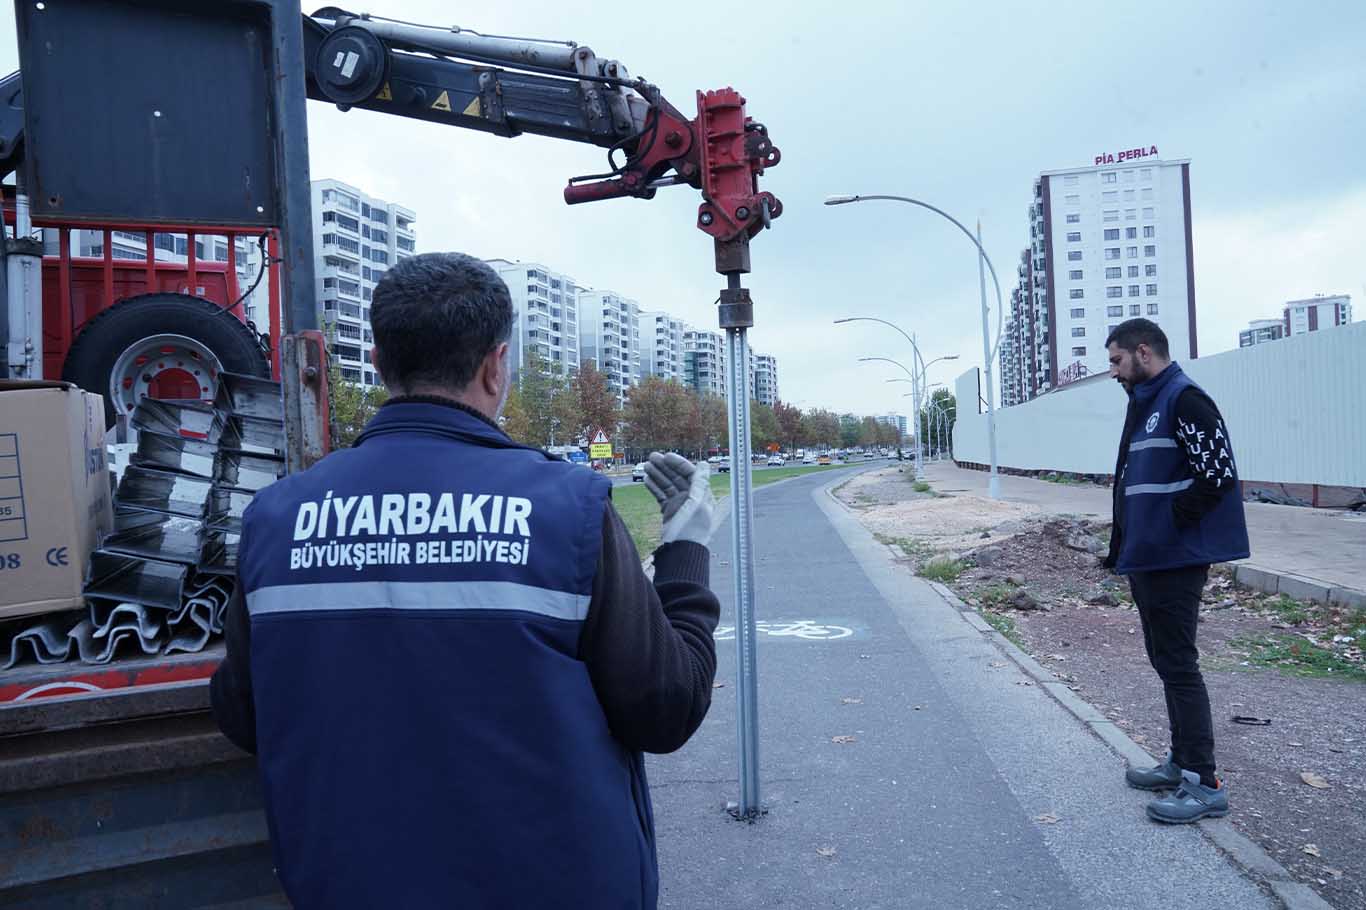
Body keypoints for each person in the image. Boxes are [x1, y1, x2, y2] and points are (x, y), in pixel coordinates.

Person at [211, 252, 721, 908]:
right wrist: (685, 550)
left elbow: (242, 713)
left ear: (377, 360)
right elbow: (667, 708)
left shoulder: (276, 519)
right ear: (494, 365)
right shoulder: (566, 509)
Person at [1102, 318, 1249, 824]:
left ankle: (1204, 784)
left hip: (1173, 558)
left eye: (1118, 361)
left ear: (1144, 352)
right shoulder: (1149, 401)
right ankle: (1182, 764)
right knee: (1167, 662)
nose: (1115, 372)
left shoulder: (1185, 399)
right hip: (1150, 557)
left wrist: (1168, 527)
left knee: (1180, 666)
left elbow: (1218, 476)